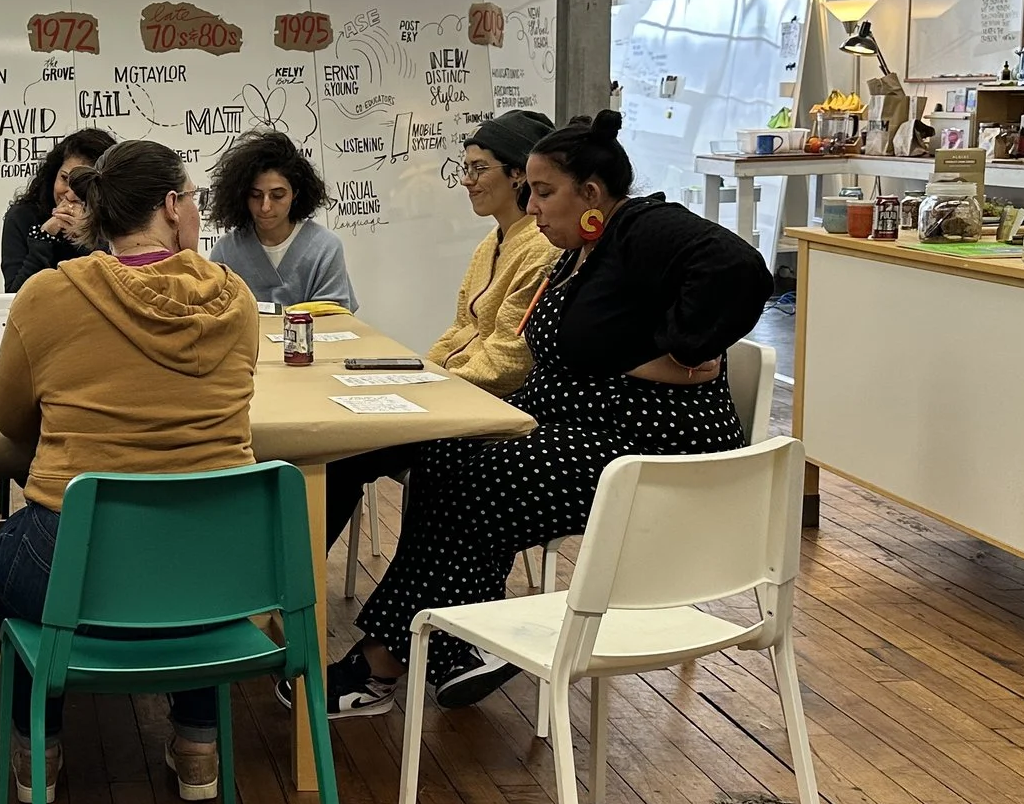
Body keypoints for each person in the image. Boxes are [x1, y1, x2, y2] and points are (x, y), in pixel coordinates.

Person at [311, 110, 771, 718]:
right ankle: (452, 646)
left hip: (648, 450)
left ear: (592, 194)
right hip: (581, 429)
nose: (532, 207)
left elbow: (739, 268)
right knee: (445, 457)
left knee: (479, 481)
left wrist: (680, 349)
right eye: (530, 192)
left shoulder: (639, 226)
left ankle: (385, 660)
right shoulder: (578, 251)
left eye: (545, 192)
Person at [0, 138, 259, 804]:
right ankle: (198, 745)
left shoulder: (47, 295)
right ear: (170, 206)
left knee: (13, 548)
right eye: (193, 197)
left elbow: (10, 418)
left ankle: (38, 750)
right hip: (217, 566)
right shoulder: (236, 299)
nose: (195, 209)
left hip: (77, 561)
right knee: (189, 535)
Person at [320, 109, 556, 546]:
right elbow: (460, 328)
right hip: (454, 397)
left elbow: (509, 361)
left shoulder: (542, 249)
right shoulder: (491, 243)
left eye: (479, 169)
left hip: (489, 410)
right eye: (466, 169)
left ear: (518, 174)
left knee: (346, 454)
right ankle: (300, 574)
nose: (467, 181)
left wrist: (433, 388)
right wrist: (421, 376)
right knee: (339, 446)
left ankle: (299, 577)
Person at [202, 130, 355, 308]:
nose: (265, 207)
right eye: (255, 195)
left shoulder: (325, 248)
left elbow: (334, 316)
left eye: (278, 195)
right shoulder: (226, 250)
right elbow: (214, 314)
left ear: (295, 193)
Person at [0, 127, 116, 290]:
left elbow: (119, 286)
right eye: (64, 178)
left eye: (85, 185)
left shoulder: (117, 217)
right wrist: (44, 237)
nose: (71, 195)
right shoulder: (22, 216)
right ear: (54, 173)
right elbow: (16, 294)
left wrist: (85, 236)